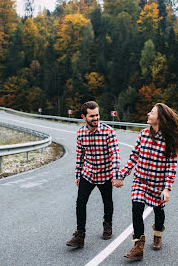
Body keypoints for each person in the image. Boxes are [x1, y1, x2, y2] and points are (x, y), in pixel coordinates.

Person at [113, 103, 178, 260]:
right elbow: (133, 158)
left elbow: (172, 166)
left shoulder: (169, 139)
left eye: (152, 112)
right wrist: (121, 176)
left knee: (159, 211)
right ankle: (138, 246)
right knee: (136, 207)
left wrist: (167, 189)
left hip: (158, 184)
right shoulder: (144, 134)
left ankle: (158, 233)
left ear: (160, 118)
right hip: (140, 181)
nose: (148, 114)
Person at [66, 101, 121, 248]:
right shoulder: (80, 134)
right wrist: (78, 175)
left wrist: (116, 175)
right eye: (92, 116)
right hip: (88, 173)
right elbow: (80, 156)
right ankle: (80, 235)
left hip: (105, 174)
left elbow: (115, 154)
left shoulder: (109, 132)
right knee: (80, 202)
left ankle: (107, 225)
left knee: (107, 201)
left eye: (97, 115)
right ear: (84, 117)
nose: (95, 118)